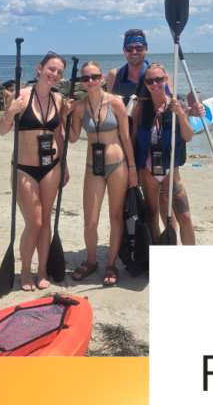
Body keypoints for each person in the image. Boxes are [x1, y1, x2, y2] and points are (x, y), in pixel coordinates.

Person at [62, 61, 138, 287]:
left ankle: (111, 263)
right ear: (81, 81)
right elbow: (74, 138)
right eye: (85, 78)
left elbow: (126, 138)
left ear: (103, 77)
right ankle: (91, 260)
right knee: (90, 222)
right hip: (92, 167)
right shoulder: (78, 106)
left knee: (115, 218)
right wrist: (65, 116)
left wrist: (133, 168)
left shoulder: (116, 103)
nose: (90, 81)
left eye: (94, 76)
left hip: (118, 165)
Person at [0, 52, 69, 292]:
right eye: (51, 69)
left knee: (46, 221)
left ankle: (43, 270)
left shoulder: (58, 100)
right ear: (40, 68)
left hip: (52, 167)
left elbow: (59, 135)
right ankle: (26, 270)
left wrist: (64, 165)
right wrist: (10, 112)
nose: (55, 75)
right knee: (34, 222)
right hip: (24, 168)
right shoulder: (20, 95)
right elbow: (1, 130)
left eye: (59, 72)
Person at [131, 63, 196, 245]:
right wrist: (132, 169)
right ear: (146, 82)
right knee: (152, 216)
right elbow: (133, 139)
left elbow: (188, 137)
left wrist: (181, 115)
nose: (155, 84)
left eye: (159, 79)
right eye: (150, 80)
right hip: (147, 172)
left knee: (185, 218)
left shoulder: (179, 104)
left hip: (171, 172)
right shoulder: (140, 108)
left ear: (166, 79)